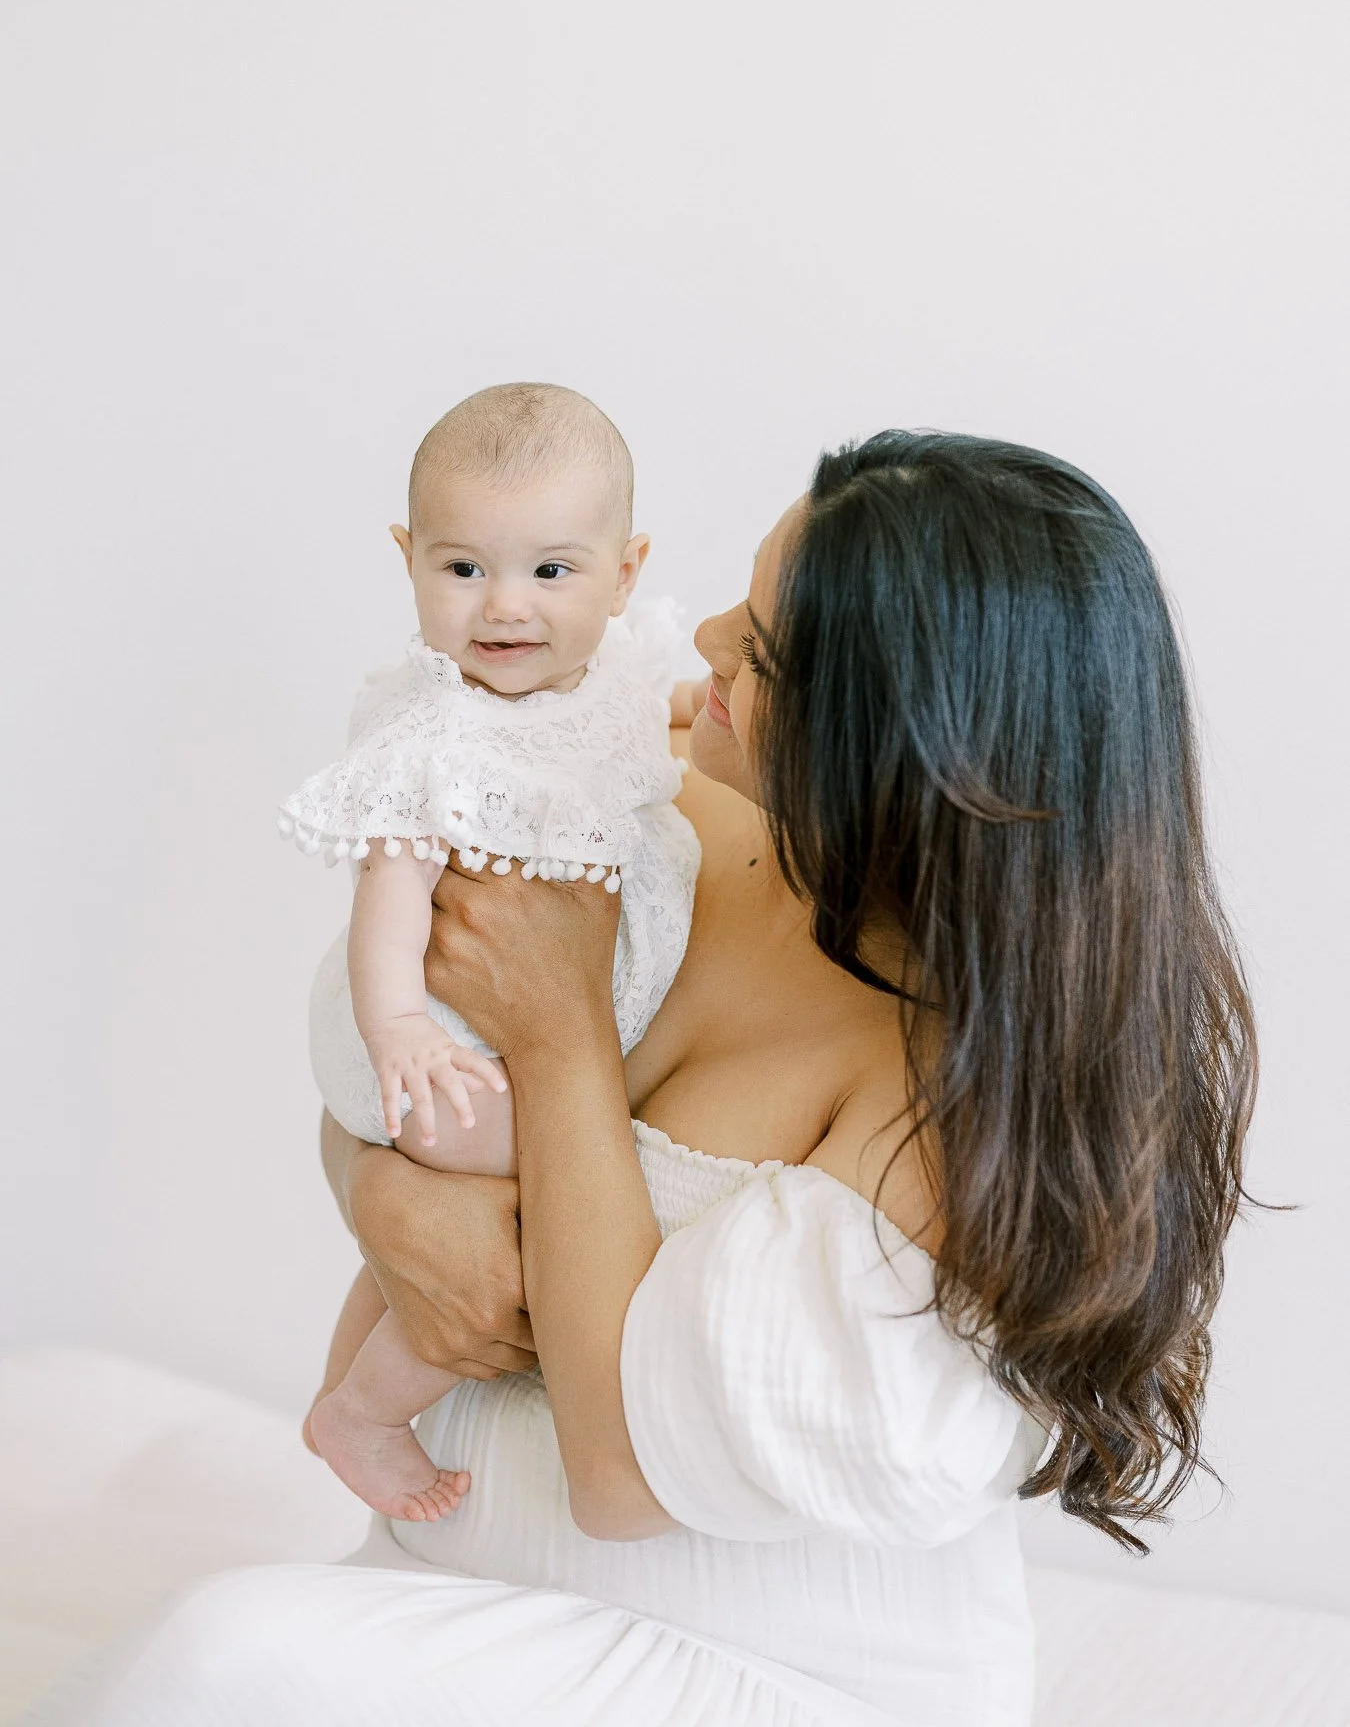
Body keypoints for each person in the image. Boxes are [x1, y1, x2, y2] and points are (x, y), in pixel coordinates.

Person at [28, 431, 1256, 1727]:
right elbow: (382, 1055)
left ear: (895, 753)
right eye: (746, 592)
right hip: (452, 1585)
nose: (707, 640)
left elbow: (619, 1474)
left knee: (224, 1659)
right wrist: (383, 1198)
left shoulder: (948, 1105)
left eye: (765, 650)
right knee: (209, 1661)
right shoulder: (661, 814)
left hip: (755, 1672)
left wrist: (560, 1031)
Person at [278, 382, 700, 1522]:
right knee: (540, 1212)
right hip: (428, 1030)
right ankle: (364, 1411)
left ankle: (340, 1394)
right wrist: (399, 1030)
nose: (505, 607)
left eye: (550, 572)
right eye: (463, 569)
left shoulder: (616, 681)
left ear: (626, 570)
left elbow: (680, 723)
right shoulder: (439, 730)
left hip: (473, 1025)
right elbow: (392, 897)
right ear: (409, 558)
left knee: (500, 1199)